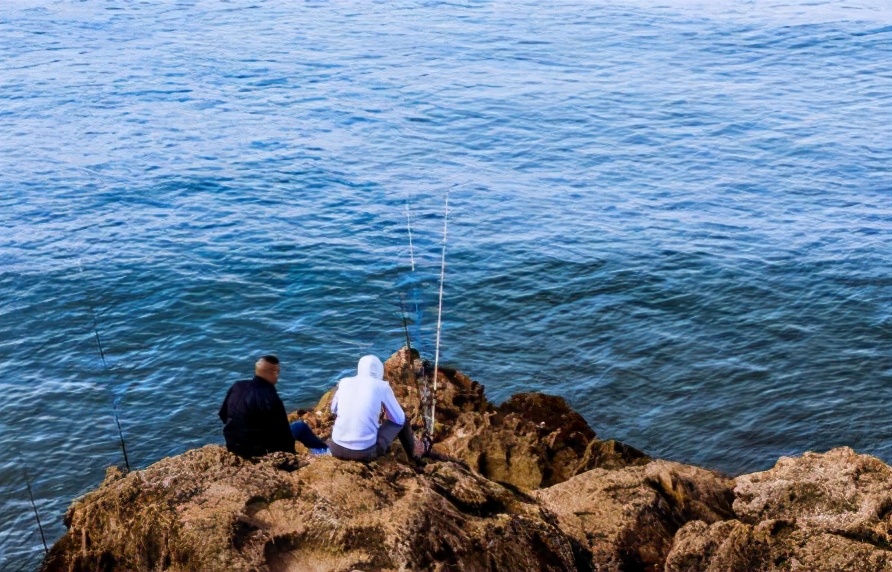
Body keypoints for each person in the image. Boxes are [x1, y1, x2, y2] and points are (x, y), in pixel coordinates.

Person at [219, 355, 328, 458]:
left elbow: (223, 416)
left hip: (233, 446)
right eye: (277, 372)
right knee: (300, 427)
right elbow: (284, 434)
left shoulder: (237, 386)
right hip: (258, 451)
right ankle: (325, 451)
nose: (277, 376)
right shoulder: (270, 396)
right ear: (272, 372)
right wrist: (291, 457)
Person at [328, 354, 417, 462]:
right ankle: (413, 458)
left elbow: (333, 410)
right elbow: (399, 419)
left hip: (335, 449)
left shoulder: (344, 382)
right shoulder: (382, 386)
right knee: (402, 421)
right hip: (364, 454)